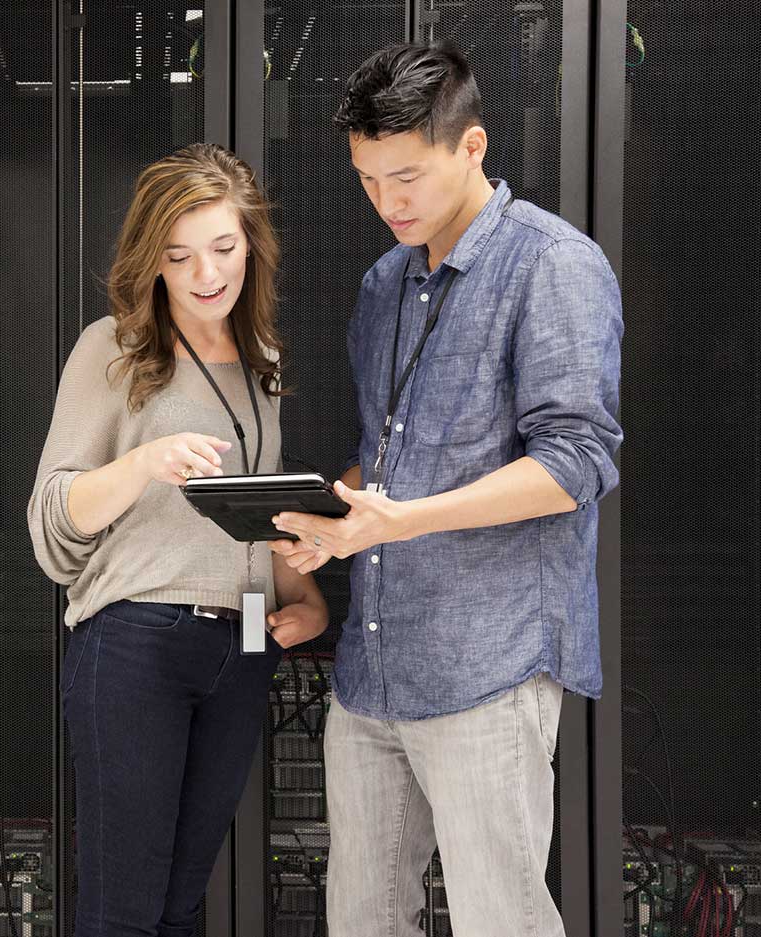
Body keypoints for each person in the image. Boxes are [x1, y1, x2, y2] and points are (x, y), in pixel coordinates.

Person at [268, 43, 623, 936]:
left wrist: (402, 520)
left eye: (406, 176)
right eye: (366, 178)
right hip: (372, 675)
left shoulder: (554, 266)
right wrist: (333, 519)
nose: (387, 202)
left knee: (501, 922)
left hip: (488, 669)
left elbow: (576, 462)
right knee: (361, 922)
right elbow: (386, 457)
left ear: (473, 147)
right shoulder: (385, 284)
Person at [28, 142, 329, 937]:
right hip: (136, 642)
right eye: (180, 254)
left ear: (251, 245)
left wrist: (304, 600)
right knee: (122, 912)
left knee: (184, 905)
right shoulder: (114, 348)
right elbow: (52, 519)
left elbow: (250, 530)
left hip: (244, 649)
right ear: (151, 259)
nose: (206, 274)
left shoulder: (263, 361)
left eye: (224, 248)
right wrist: (143, 464)